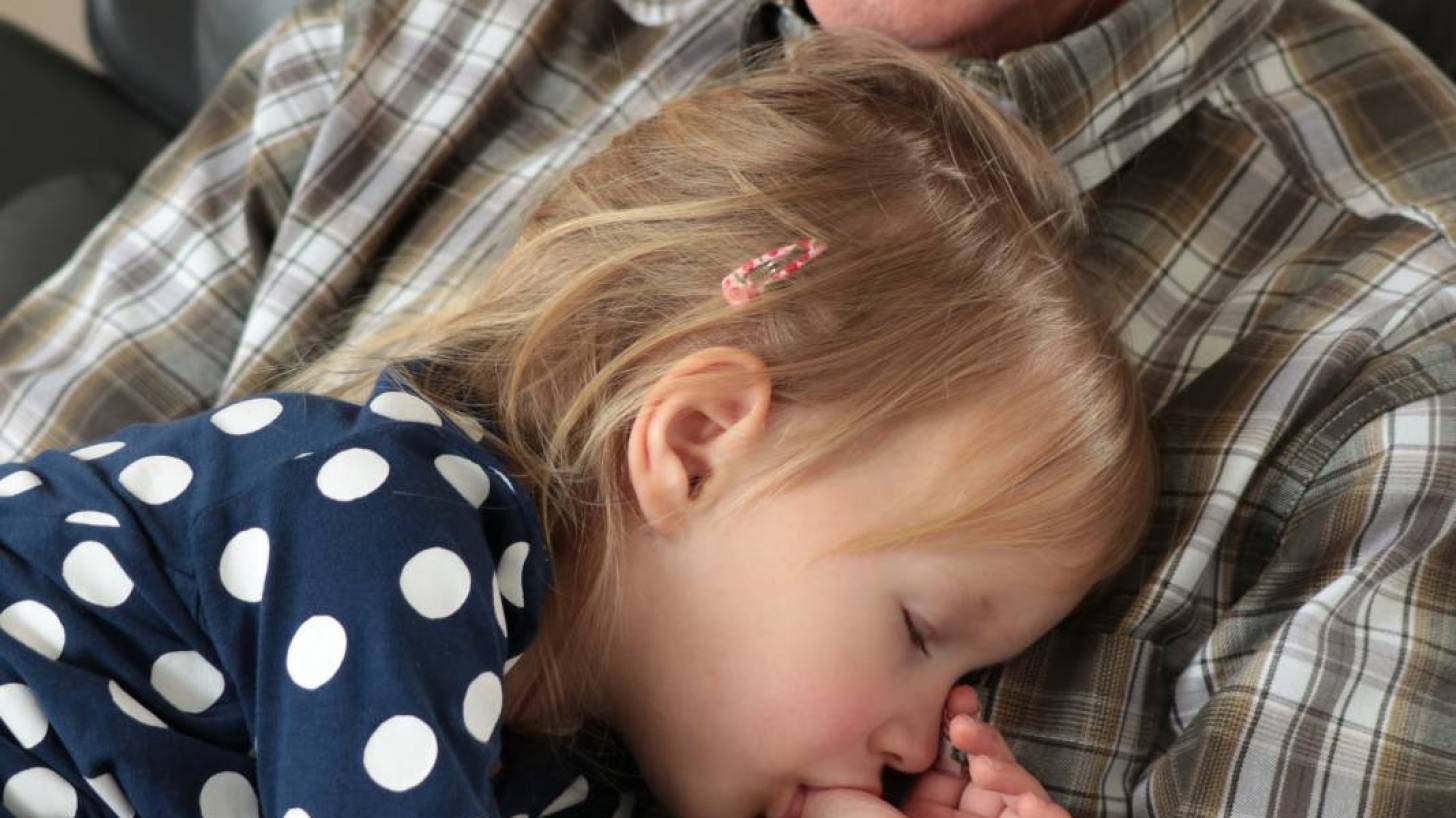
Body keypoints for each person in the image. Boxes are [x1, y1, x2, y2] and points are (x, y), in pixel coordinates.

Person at [3, 0, 1455, 816]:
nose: (926, 742)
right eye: (915, 634)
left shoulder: (1401, 326)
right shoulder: (374, 515)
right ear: (693, 440)